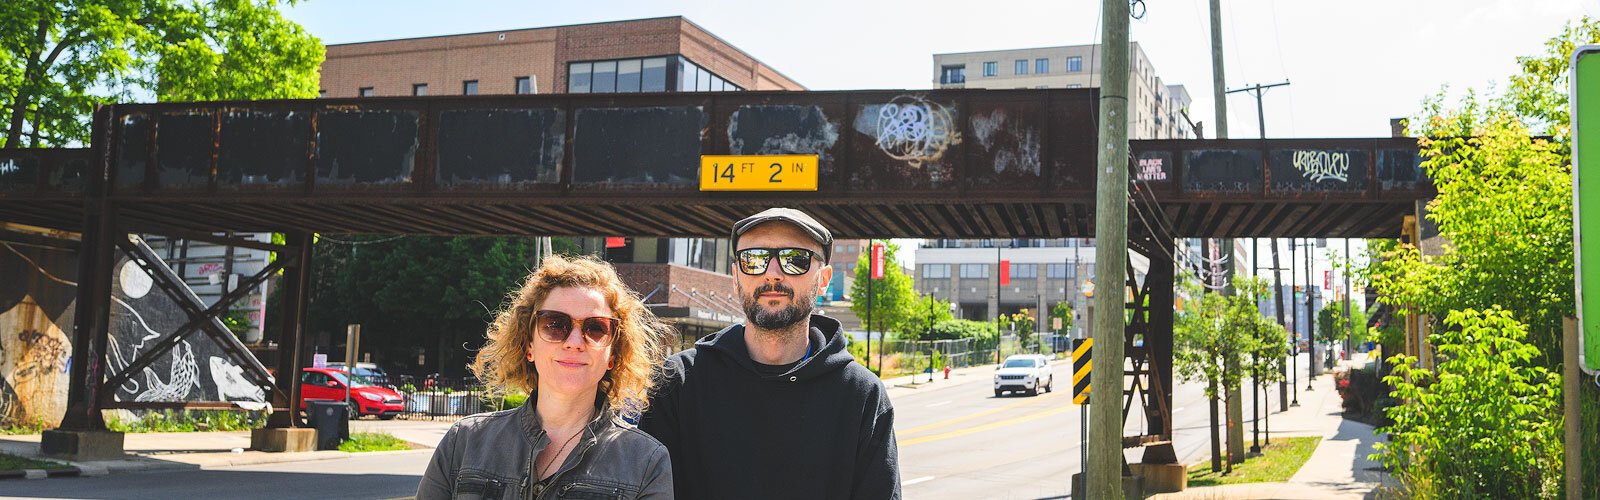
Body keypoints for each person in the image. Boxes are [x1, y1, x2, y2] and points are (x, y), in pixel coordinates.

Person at [641, 207, 901, 499]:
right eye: (754, 259)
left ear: (824, 278)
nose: (772, 274)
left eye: (795, 260)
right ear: (736, 274)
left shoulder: (861, 395)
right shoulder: (678, 382)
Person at [419, 255, 673, 499]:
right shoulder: (463, 442)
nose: (574, 343)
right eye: (555, 324)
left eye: (595, 328)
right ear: (529, 345)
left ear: (613, 355)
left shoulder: (646, 462)